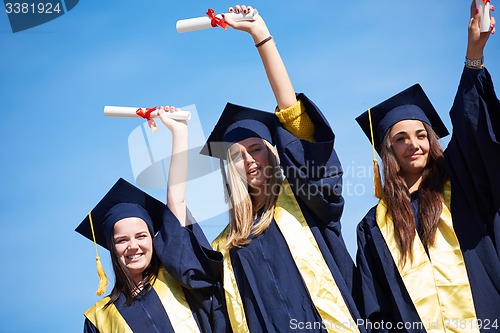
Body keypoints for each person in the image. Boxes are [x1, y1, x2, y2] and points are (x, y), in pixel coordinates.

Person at [197, 4, 367, 332]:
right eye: (236, 155)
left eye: (257, 149)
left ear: (274, 154)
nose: (248, 160)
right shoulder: (224, 248)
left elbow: (296, 123)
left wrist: (261, 37)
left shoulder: (305, 200)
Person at [355, 2, 499, 332]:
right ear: (387, 150)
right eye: (401, 138)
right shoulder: (374, 226)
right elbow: (375, 308)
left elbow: (472, 128)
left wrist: (474, 55)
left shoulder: (462, 187)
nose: (414, 144)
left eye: (421, 134)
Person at [75, 107, 229, 332]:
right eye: (122, 240)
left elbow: (176, 201)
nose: (133, 246)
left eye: (141, 236)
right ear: (111, 247)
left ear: (153, 239)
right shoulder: (100, 319)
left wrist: (179, 133)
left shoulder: (178, 280)